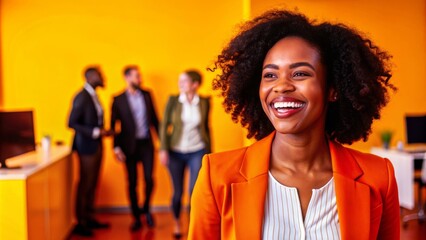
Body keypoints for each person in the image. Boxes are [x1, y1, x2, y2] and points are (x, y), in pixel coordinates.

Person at [188, 10, 400, 240]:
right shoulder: (217, 176)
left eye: (299, 73)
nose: (281, 86)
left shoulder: (379, 178)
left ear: (333, 89)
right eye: (270, 75)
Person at [159, 70, 211, 238]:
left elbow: (206, 128)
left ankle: (192, 225)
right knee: (177, 192)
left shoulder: (204, 102)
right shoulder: (173, 101)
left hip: (197, 150)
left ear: (195, 84)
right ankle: (176, 222)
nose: (180, 84)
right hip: (175, 152)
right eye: (180, 80)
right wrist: (163, 149)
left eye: (184, 81)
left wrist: (210, 154)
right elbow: (164, 126)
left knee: (194, 192)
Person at [110, 65, 159, 231]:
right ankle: (136, 216)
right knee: (131, 183)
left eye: (140, 76)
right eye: (137, 76)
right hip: (128, 146)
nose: (140, 79)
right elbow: (113, 126)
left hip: (146, 144)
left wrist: (163, 145)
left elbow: (155, 120)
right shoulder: (118, 100)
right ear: (127, 78)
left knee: (149, 179)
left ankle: (147, 209)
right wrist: (116, 148)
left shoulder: (147, 95)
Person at [68, 66, 112, 237]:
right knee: (85, 183)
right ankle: (81, 221)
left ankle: (90, 216)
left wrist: (103, 131)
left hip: (97, 144)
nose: (103, 78)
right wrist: (95, 132)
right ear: (91, 77)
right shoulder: (82, 97)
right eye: (100, 75)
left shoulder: (93, 96)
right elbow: (71, 122)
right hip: (86, 147)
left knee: (93, 182)